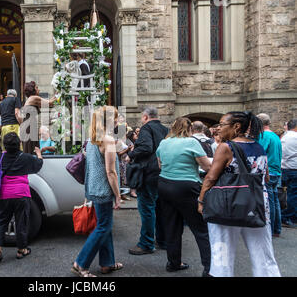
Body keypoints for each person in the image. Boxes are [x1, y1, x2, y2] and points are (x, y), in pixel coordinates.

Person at [198, 111, 281, 277]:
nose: (218, 129)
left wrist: (201, 200)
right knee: (263, 254)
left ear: (236, 127)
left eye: (222, 125)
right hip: (256, 204)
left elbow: (211, 177)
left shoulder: (226, 147)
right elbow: (266, 176)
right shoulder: (258, 146)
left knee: (222, 252)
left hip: (228, 204)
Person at [156, 117, 212, 276]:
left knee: (172, 226)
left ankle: (173, 263)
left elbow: (160, 165)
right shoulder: (192, 142)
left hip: (165, 185)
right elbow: (207, 166)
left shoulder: (163, 143)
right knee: (200, 229)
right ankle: (209, 268)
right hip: (186, 187)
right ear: (189, 129)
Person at [72, 106, 123, 277]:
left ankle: (107, 264)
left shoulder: (93, 138)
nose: (118, 121)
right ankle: (81, 263)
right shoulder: (107, 140)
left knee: (104, 225)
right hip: (103, 190)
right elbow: (111, 172)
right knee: (103, 226)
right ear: (109, 120)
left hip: (94, 188)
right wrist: (118, 195)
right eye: (116, 118)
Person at [0, 133, 44, 262]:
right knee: (21, 222)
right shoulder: (26, 158)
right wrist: (39, 154)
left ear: (5, 145)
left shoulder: (2, 156)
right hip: (21, 194)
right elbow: (38, 165)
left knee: (2, 221)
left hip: (4, 194)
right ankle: (21, 250)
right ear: (19, 144)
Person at [126, 106, 168, 255]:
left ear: (145, 117)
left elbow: (146, 147)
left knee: (147, 209)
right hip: (162, 173)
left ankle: (146, 243)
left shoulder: (146, 128)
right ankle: (163, 241)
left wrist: (130, 155)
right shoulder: (165, 130)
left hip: (148, 174)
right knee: (160, 208)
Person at [257, 113, 283, 237]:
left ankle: (271, 229)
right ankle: (277, 229)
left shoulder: (264, 136)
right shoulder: (275, 136)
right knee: (275, 200)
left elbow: (259, 152)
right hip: (276, 170)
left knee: (269, 201)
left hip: (269, 171)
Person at [22, 81, 56, 154]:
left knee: (31, 147)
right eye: (37, 87)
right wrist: (58, 94)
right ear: (32, 89)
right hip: (29, 127)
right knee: (32, 147)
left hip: (29, 126)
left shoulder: (31, 99)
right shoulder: (34, 98)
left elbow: (50, 105)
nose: (39, 90)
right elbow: (50, 103)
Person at [281, 119, 297, 228]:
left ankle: (287, 215)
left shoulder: (284, 137)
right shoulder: (295, 137)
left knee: (285, 193)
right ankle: (288, 216)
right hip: (294, 168)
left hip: (284, 167)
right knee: (293, 194)